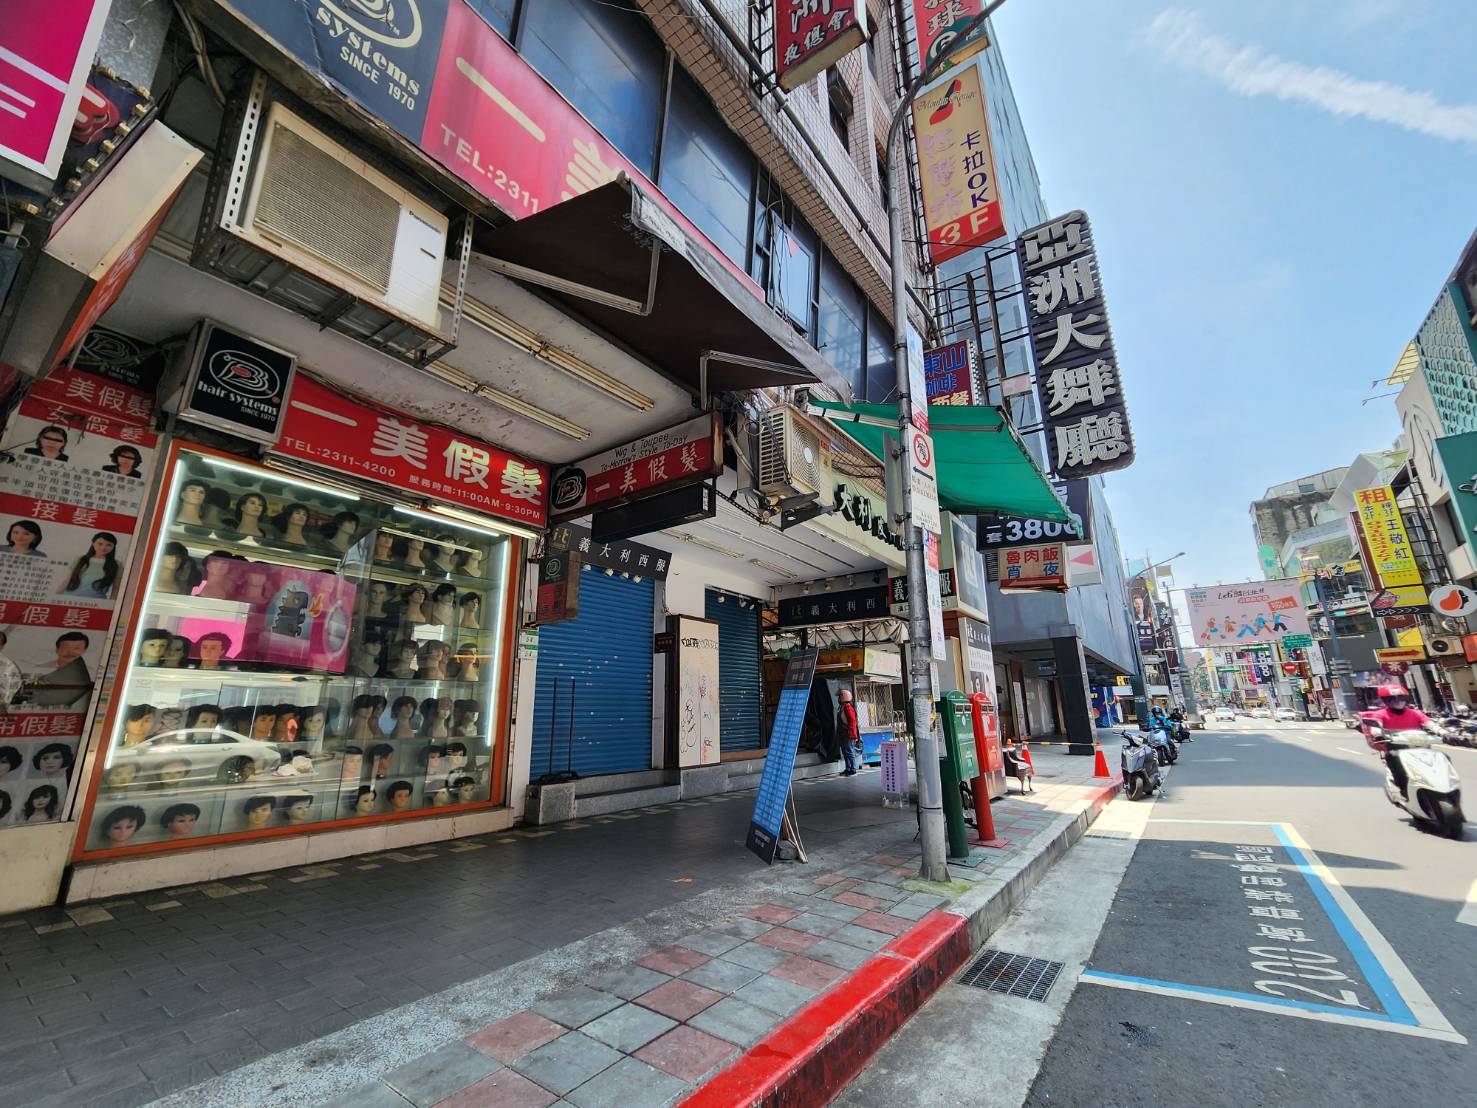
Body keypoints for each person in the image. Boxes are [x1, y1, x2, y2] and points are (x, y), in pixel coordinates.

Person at [1364, 683, 1430, 799]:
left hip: (1420, 747)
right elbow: (1375, 728)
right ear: (1386, 701)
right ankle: (1404, 790)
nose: (1398, 702)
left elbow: (1429, 723)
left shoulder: (1415, 713)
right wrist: (1378, 735)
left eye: (1401, 698)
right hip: (1396, 749)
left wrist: (1443, 732)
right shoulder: (1380, 714)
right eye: (1393, 699)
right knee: (1395, 762)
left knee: (1443, 757)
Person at [62, 532, 120, 598]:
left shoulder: (117, 564)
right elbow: (67, 581)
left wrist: (111, 603)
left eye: (109, 545)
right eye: (100, 544)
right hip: (69, 597)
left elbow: (116, 588)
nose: (103, 547)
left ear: (113, 546)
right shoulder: (80, 559)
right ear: (93, 543)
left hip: (96, 601)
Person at [836, 688, 860, 777]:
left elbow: (852, 721)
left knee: (849, 751)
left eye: (840, 696)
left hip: (848, 733)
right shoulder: (842, 707)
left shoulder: (848, 707)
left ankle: (853, 769)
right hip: (842, 733)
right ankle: (848, 768)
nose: (838, 698)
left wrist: (850, 731)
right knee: (845, 751)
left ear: (844, 697)